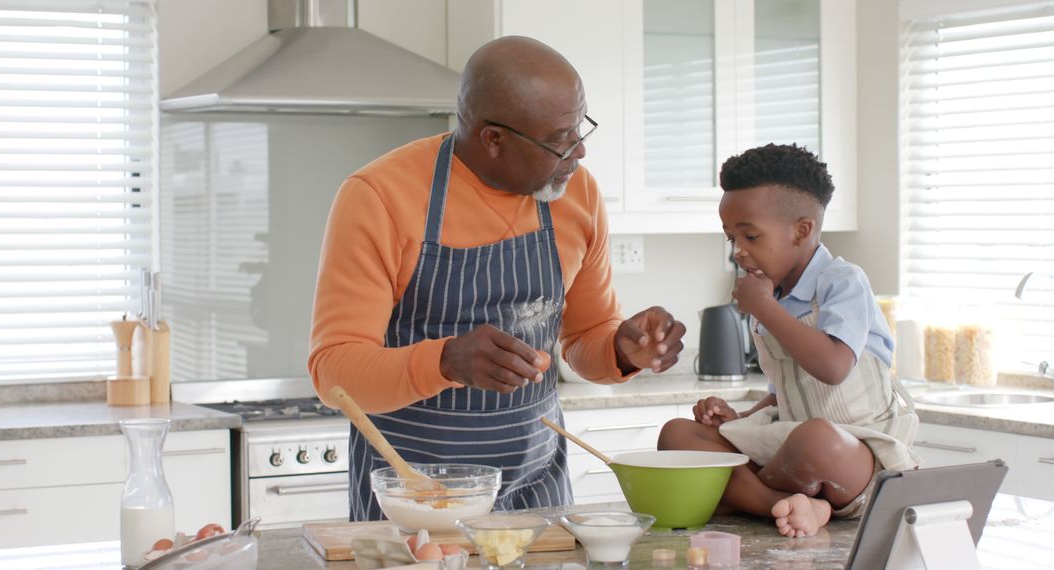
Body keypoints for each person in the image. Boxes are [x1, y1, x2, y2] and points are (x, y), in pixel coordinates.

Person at [309, 36, 686, 521]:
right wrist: (446, 361)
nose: (580, 154)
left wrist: (621, 350)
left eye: (580, 130)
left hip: (537, 485)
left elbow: (586, 340)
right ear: (493, 139)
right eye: (559, 140)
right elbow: (333, 371)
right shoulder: (379, 196)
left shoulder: (578, 194)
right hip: (416, 493)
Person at [657, 144, 918, 538]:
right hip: (792, 446)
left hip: (859, 452)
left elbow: (833, 368)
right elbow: (787, 393)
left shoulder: (843, 281)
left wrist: (764, 309)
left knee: (816, 437)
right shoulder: (774, 295)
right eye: (731, 238)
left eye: (751, 235)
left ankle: (737, 494)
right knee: (677, 435)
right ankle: (788, 505)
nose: (739, 252)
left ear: (802, 230)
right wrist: (739, 419)